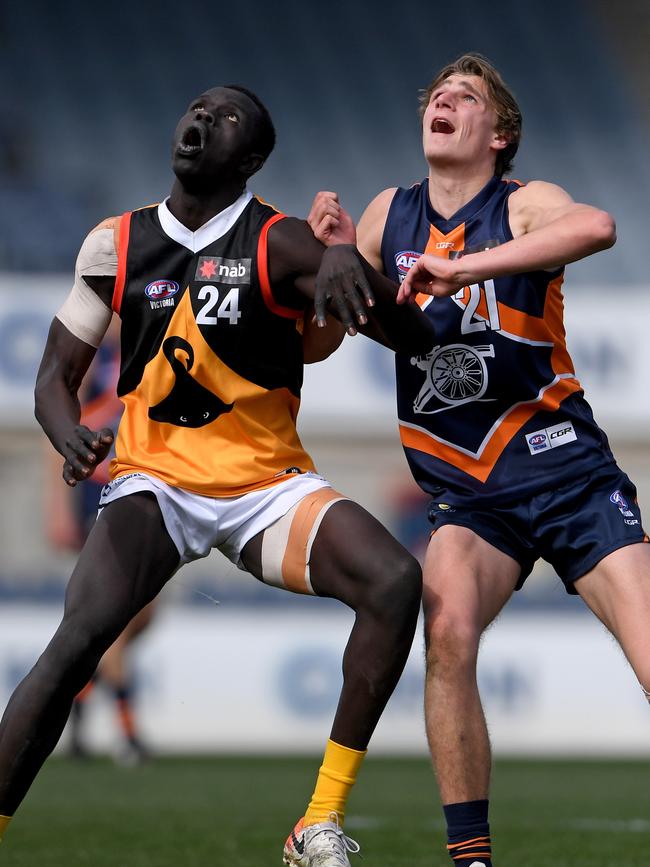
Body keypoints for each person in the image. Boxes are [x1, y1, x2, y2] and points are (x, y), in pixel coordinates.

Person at [0, 84, 436, 866]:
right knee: (78, 642)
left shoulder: (285, 242)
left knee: (395, 581)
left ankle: (317, 821)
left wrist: (350, 261)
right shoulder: (116, 242)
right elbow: (50, 383)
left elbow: (415, 339)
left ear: (253, 157)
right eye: (197, 108)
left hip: (265, 486)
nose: (201, 119)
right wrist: (69, 438)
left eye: (225, 116)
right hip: (151, 480)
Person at [307, 53, 650, 867]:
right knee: (448, 629)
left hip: (566, 468)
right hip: (469, 491)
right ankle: (471, 858)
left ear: (498, 136)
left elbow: (597, 227)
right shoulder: (388, 214)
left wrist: (461, 268)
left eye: (467, 97)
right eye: (436, 95)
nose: (444, 102)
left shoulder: (525, 205)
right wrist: (333, 263)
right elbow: (321, 342)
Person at [44, 321, 155, 765]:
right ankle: (128, 736)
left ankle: (80, 701)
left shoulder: (152, 342)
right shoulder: (96, 360)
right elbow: (61, 424)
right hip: (105, 495)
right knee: (120, 622)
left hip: (146, 488)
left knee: (141, 619)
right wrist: (57, 506)